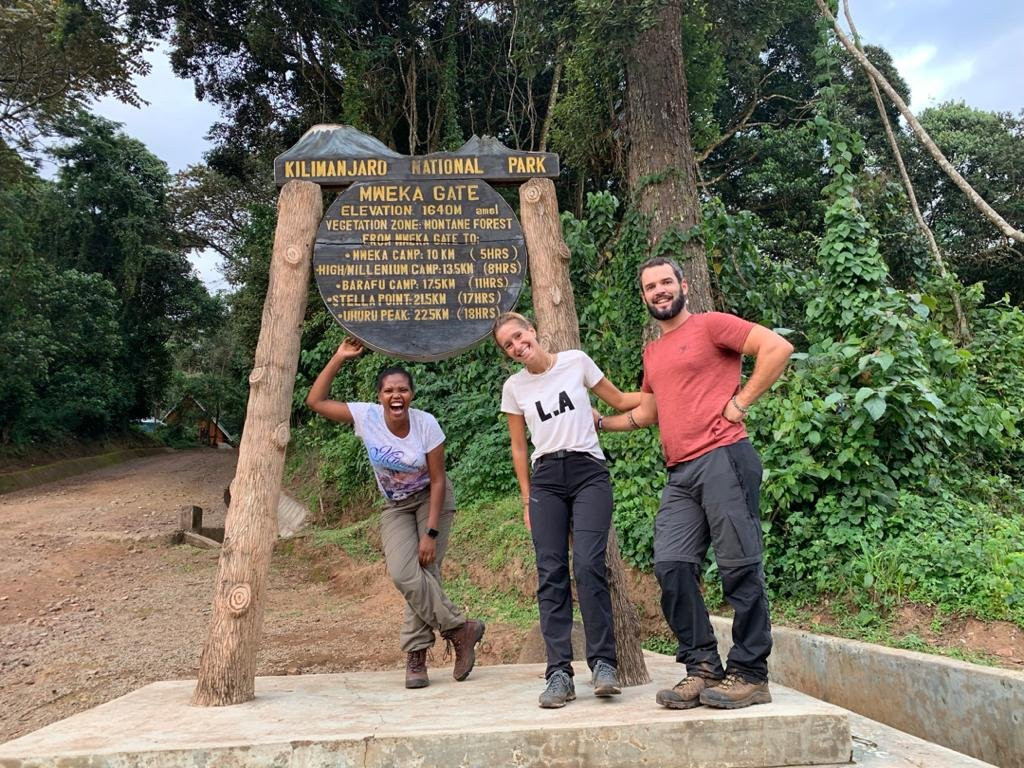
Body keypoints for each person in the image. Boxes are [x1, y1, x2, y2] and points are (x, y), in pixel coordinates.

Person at [597, 257, 793, 710]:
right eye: (651, 287)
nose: (659, 291)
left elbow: (777, 348)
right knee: (670, 565)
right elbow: (647, 412)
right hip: (680, 472)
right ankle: (703, 667)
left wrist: (741, 403)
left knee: (739, 565)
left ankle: (749, 673)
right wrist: (601, 423)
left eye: (666, 282)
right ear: (644, 296)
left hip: (724, 456)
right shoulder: (652, 352)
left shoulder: (710, 326)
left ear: (683, 284)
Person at [306, 336, 485, 690]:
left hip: (431, 499)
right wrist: (339, 356)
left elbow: (437, 481)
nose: (396, 396)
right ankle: (459, 628)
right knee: (405, 574)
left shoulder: (426, 424)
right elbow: (315, 400)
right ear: (380, 396)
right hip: (395, 505)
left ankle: (416, 656)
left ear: (412, 395)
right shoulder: (366, 416)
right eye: (389, 390)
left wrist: (430, 533)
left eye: (402, 389)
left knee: (425, 568)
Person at [493, 312, 640, 709]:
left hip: (588, 471)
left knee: (590, 564)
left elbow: (622, 400)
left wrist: (667, 391)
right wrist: (527, 499)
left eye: (519, 336)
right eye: (508, 345)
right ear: (508, 354)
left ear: (533, 331)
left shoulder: (576, 361)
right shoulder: (514, 387)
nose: (517, 345)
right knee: (551, 571)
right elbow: (519, 447)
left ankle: (604, 665)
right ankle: (559, 672)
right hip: (545, 481)